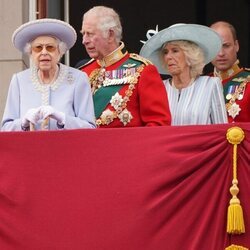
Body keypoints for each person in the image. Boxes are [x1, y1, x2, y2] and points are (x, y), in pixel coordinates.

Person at [78, 6, 171, 128]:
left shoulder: (142, 70)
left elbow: (158, 125)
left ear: (110, 35)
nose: (84, 41)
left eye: (90, 34)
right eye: (83, 34)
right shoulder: (83, 72)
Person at [1, 18, 96, 131]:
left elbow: (90, 127)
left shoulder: (78, 79)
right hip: (28, 148)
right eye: (38, 48)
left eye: (50, 47)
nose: (44, 52)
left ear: (59, 51)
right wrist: (23, 122)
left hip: (66, 147)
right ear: (31, 53)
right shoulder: (19, 80)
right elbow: (5, 128)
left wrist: (63, 119)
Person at [140, 23, 228, 125]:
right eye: (165, 52)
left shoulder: (210, 84)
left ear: (189, 55)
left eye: (175, 51)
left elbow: (221, 130)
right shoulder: (159, 87)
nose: (168, 57)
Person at [210, 21, 250, 122]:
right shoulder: (201, 84)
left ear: (236, 45)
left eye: (226, 46)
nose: (221, 53)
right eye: (215, 47)